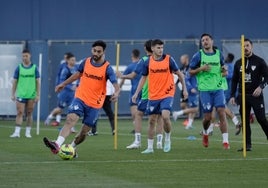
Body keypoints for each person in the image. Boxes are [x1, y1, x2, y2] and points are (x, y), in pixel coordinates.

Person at [43, 40, 120, 156]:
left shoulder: (107, 68)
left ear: (103, 52)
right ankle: (57, 144)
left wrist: (117, 92)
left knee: (84, 132)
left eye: (99, 51)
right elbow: (77, 75)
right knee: (70, 119)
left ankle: (71, 148)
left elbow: (115, 83)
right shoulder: (86, 62)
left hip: (95, 104)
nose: (96, 53)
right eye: (94, 50)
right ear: (91, 50)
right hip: (80, 98)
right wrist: (63, 84)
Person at [132, 39, 188, 154]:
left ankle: (167, 138)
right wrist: (136, 93)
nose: (161, 50)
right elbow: (143, 78)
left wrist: (185, 89)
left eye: (162, 47)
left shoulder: (169, 59)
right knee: (152, 120)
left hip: (167, 93)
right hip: (153, 95)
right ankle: (150, 147)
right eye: (158, 48)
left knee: (165, 116)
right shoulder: (148, 62)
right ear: (152, 49)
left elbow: (180, 74)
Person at [117, 40, 164, 149]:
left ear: (145, 48)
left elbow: (133, 75)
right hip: (160, 92)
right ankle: (159, 143)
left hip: (147, 93)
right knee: (159, 117)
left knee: (139, 115)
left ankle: (138, 142)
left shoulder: (144, 60)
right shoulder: (163, 59)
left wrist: (121, 76)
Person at [189, 33, 230, 149]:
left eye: (207, 40)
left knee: (221, 111)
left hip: (218, 88)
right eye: (203, 40)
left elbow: (223, 68)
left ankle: (225, 141)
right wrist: (201, 68)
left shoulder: (219, 54)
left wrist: (224, 71)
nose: (205, 42)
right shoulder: (198, 55)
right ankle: (205, 133)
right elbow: (190, 72)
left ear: (212, 41)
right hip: (205, 89)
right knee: (207, 117)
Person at [230, 38, 268, 151]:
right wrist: (232, 95)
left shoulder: (259, 61)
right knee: (245, 121)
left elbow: (267, 77)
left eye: (247, 45)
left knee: (261, 119)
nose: (245, 48)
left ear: (251, 47)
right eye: (243, 46)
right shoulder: (238, 63)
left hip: (256, 97)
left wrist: (261, 87)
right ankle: (247, 145)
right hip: (243, 96)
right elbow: (234, 80)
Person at [10, 49, 40, 138]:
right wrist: (12, 94)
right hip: (21, 94)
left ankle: (28, 132)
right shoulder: (18, 68)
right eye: (23, 56)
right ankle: (17, 132)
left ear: (30, 56)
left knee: (29, 113)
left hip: (31, 94)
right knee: (20, 112)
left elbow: (38, 82)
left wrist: (38, 94)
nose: (24, 58)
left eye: (26, 56)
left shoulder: (34, 68)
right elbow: (15, 81)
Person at [44, 53, 78, 133]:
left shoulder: (76, 68)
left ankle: (71, 127)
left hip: (72, 94)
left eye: (74, 60)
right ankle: (50, 117)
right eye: (72, 60)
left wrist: (77, 86)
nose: (74, 61)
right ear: (68, 60)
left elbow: (79, 78)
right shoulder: (65, 69)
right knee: (59, 109)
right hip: (64, 92)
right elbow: (62, 81)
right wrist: (70, 87)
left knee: (72, 110)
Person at [173, 55, 199, 129]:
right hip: (188, 89)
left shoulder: (190, 67)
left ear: (187, 59)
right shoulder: (183, 69)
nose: (181, 61)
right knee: (193, 108)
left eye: (182, 59)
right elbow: (184, 78)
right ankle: (178, 114)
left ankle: (189, 123)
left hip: (189, 88)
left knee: (193, 107)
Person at [119, 49, 141, 133]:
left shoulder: (130, 66)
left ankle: (137, 128)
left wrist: (119, 89)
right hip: (144, 91)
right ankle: (137, 127)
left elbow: (123, 78)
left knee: (134, 112)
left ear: (132, 55)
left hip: (134, 91)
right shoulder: (142, 65)